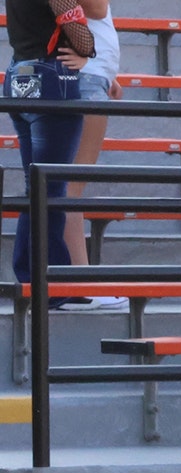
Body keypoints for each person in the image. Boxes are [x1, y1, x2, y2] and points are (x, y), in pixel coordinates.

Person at [5, 0, 106, 307]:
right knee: (51, 188)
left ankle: (30, 276)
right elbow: (84, 39)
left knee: (35, 186)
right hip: (52, 78)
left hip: (18, 74)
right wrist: (86, 51)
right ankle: (51, 282)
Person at [55, 2, 127, 310]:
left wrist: (106, 71)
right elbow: (95, 8)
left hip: (92, 76)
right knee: (71, 188)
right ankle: (78, 286)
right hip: (85, 79)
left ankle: (78, 284)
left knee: (72, 186)